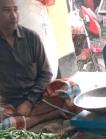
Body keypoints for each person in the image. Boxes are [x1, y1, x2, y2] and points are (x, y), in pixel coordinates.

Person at [0, 0, 80, 130]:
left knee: (71, 87)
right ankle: (47, 116)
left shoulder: (31, 38)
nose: (13, 15)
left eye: (15, 9)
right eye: (6, 10)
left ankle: (32, 118)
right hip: (10, 103)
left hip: (38, 95)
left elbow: (46, 73)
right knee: (3, 126)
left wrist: (29, 102)